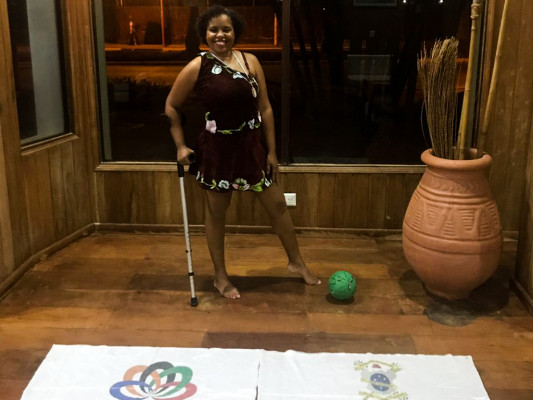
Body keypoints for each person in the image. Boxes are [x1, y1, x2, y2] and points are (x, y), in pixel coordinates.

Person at [165, 5, 320, 299]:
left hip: (251, 147)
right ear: (204, 34)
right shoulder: (198, 66)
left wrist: (272, 152)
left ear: (235, 32)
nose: (220, 35)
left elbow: (266, 108)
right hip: (217, 151)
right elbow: (171, 105)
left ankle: (296, 263)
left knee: (278, 206)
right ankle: (220, 277)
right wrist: (180, 146)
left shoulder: (250, 61)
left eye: (226, 29)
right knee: (216, 214)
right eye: (213, 30)